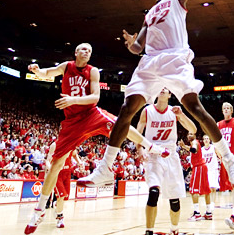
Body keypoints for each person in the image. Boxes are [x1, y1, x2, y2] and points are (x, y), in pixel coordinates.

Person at [78, 0, 234, 209]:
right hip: (150, 63)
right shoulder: (149, 15)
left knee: (195, 107)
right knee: (127, 108)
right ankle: (106, 168)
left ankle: (227, 160)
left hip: (174, 59)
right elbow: (137, 49)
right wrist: (132, 43)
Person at [23, 42, 162, 234]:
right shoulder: (67, 66)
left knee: (121, 124)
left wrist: (72, 100)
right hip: (71, 122)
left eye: (89, 50)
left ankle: (149, 146)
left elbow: (95, 97)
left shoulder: (93, 71)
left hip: (90, 114)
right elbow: (48, 73)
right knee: (55, 165)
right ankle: (39, 210)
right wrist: (38, 71)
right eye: (83, 49)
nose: (87, 52)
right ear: (76, 52)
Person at [137, 88, 196, 235]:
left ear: (170, 95)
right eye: (160, 88)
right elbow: (138, 132)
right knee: (154, 192)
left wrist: (181, 115)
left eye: (166, 89)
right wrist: (140, 149)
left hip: (170, 155)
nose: (162, 89)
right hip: (153, 155)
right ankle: (149, 231)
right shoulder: (147, 110)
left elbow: (193, 129)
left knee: (174, 200)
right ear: (156, 92)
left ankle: (174, 229)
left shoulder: (174, 111)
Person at [179, 132, 213, 221]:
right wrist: (184, 146)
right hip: (202, 166)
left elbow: (194, 150)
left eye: (191, 133)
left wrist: (188, 147)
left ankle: (197, 213)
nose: (189, 135)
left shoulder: (194, 142)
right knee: (206, 190)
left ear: (194, 135)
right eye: (188, 134)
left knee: (193, 190)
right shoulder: (195, 142)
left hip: (199, 167)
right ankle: (209, 212)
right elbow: (192, 149)